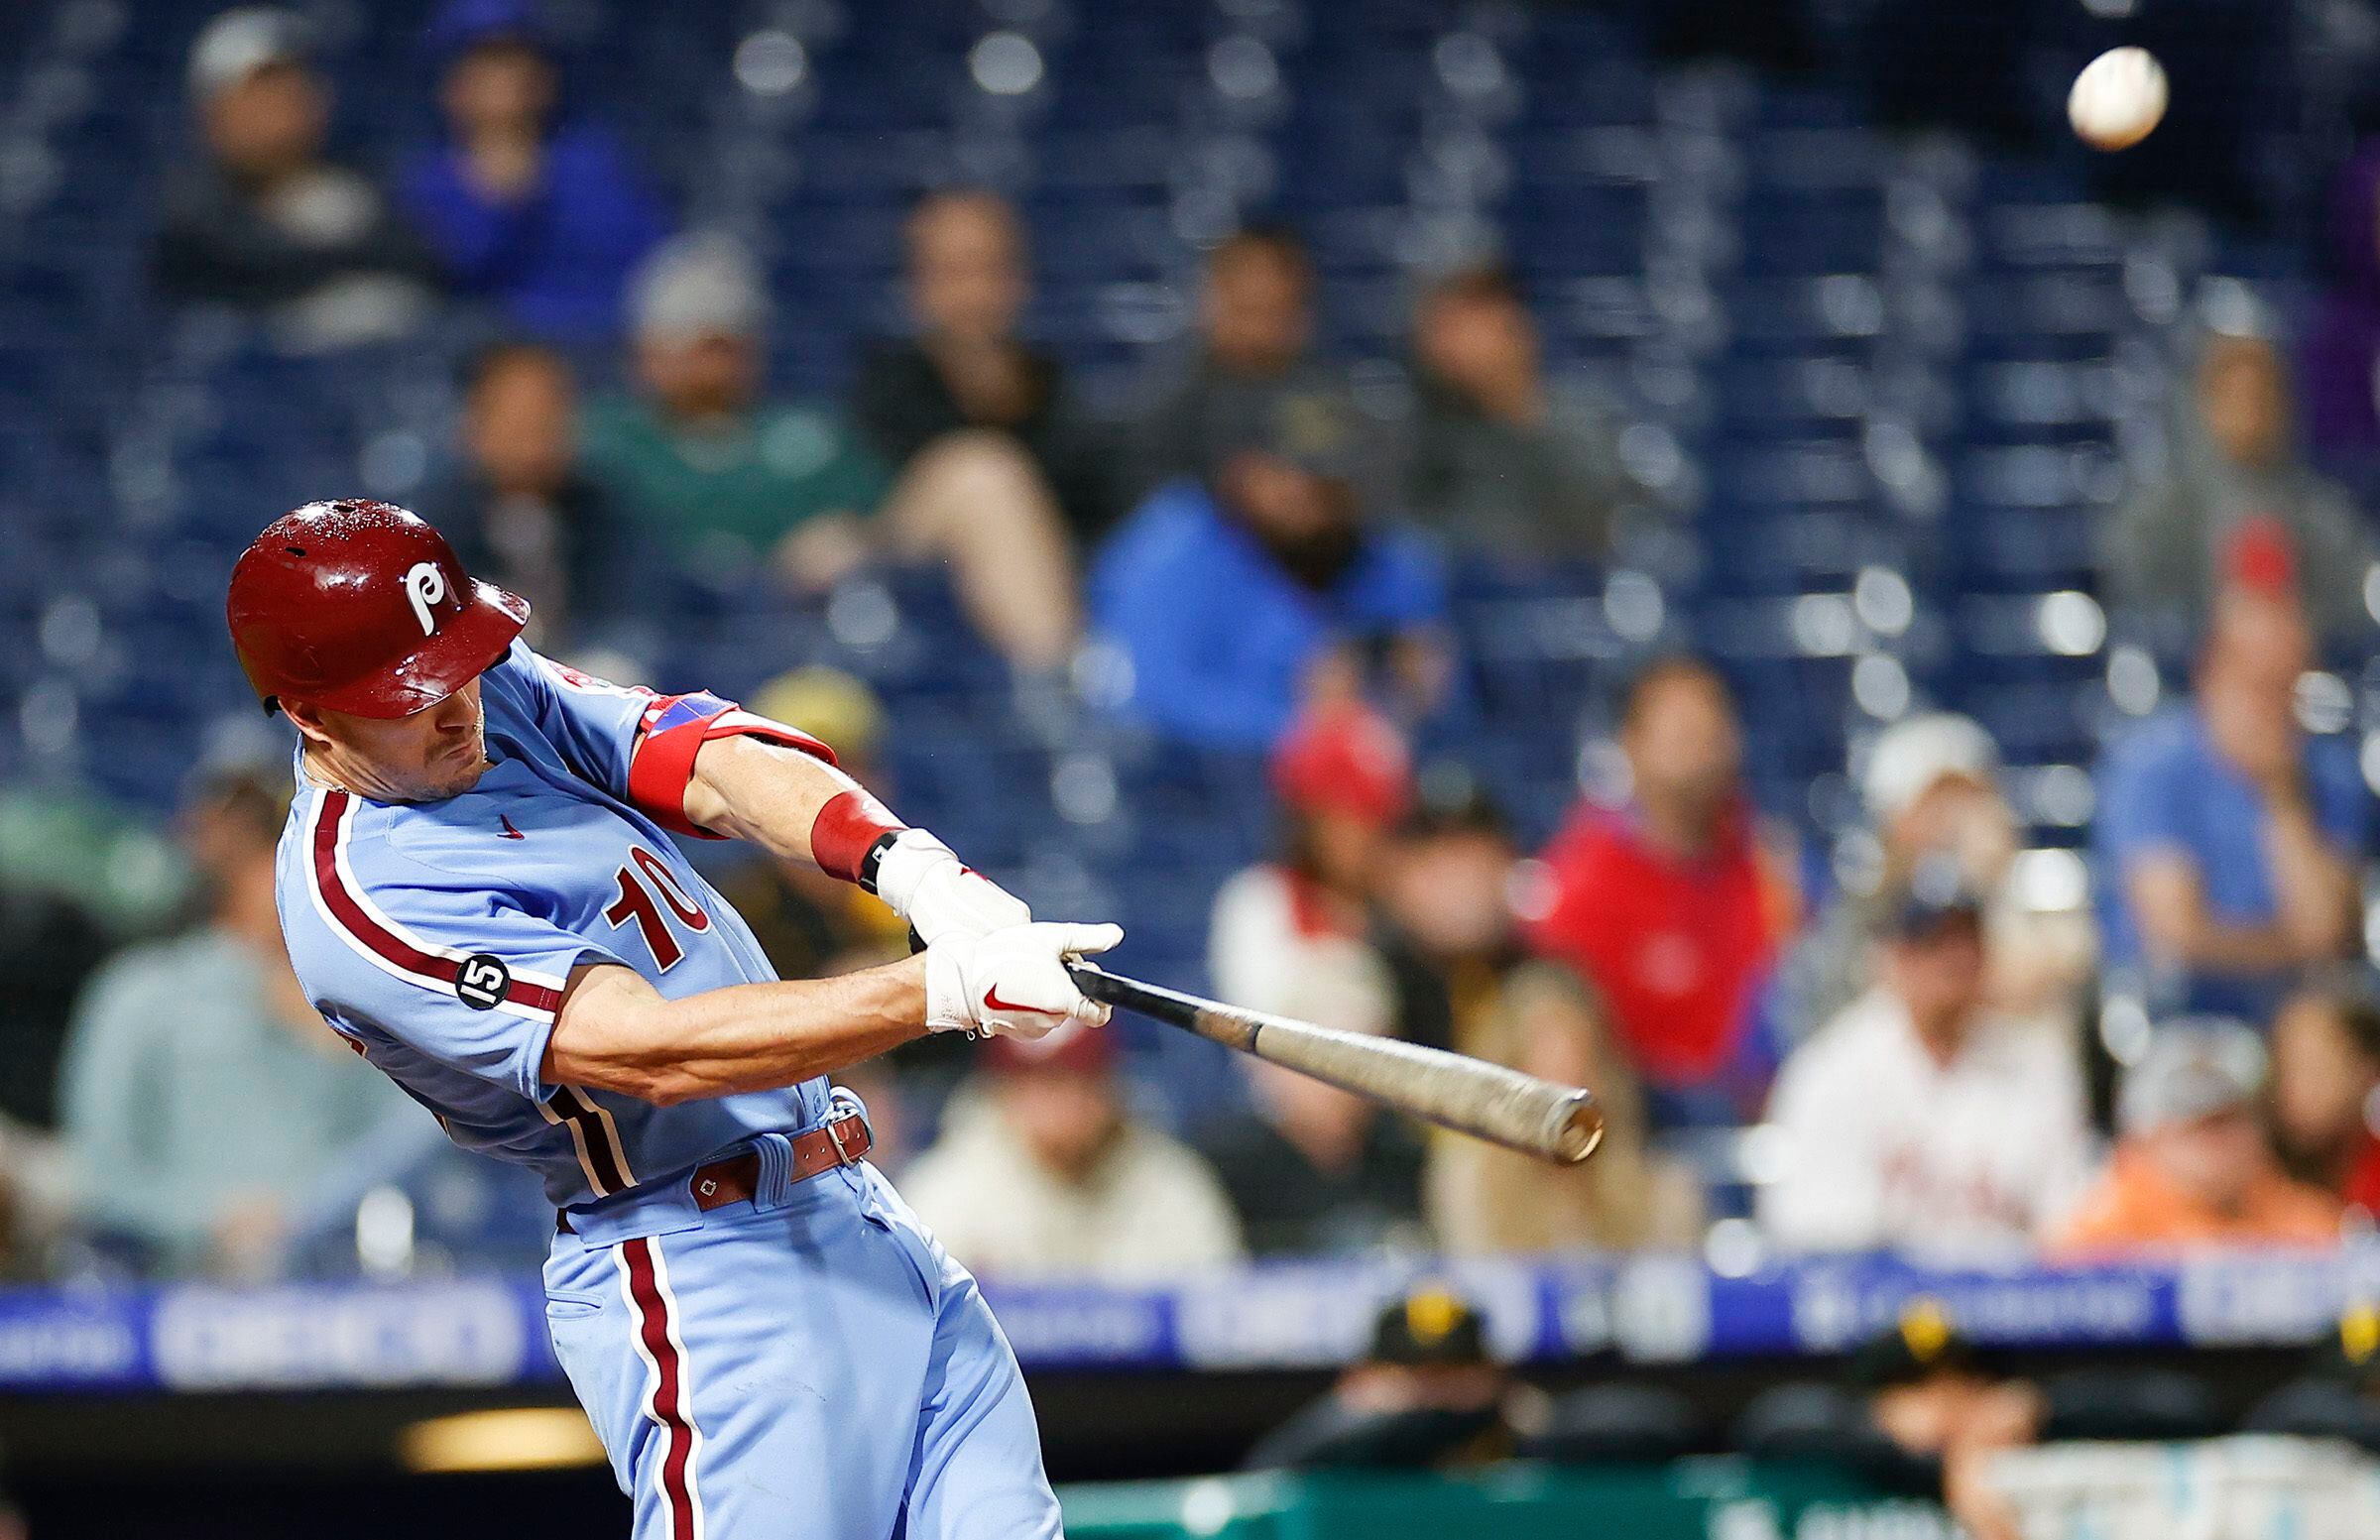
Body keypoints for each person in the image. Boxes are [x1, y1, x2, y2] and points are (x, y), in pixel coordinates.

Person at [226, 499, 1125, 1537]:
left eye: (461, 660)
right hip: (704, 1269)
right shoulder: (360, 894)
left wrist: (906, 867)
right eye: (412, 690)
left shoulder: (478, 699)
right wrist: (941, 990)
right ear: (311, 714)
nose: (458, 701)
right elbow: (653, 1050)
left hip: (864, 1215)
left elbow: (696, 754)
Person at [583, 233, 1082, 671]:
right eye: (691, 342)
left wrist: (852, 539)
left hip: (820, 612)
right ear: (646, 349)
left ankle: (1055, 691)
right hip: (659, 638)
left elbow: (880, 519)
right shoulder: (603, 438)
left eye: (727, 341)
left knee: (981, 470)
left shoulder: (807, 431)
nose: (713, 361)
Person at [57, 766, 424, 1278]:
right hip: (166, 1292)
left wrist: (350, 1050)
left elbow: (413, 1139)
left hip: (337, 1290)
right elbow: (98, 1174)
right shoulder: (140, 993)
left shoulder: (361, 1001)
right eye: (285, 858)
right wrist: (213, 1222)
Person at [1384, 780, 1703, 1252]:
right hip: (1428, 1210)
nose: (1460, 880)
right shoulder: (1379, 981)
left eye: (1474, 856)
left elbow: (1626, 1108)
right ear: (1398, 875)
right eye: (1438, 859)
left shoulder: (1553, 979)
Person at [1759, 859, 2095, 1258]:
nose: (1953, 960)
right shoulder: (1830, 1071)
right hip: (1876, 1310)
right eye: (1932, 942)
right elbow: (1811, 1234)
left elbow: (2073, 1226)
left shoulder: (2039, 1063)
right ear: (1891, 957)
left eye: (1966, 939)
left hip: (2009, 1307)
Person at [1091, 384, 1452, 749]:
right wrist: (1311, 726)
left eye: (1330, 476)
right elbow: (1143, 698)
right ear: (1242, 469)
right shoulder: (1172, 548)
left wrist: (1416, 700)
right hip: (1194, 783)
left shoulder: (1388, 562)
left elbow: (1447, 700)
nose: (1314, 493)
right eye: (1293, 473)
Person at [1524, 656, 1796, 1125]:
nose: (1700, 750)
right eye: (1679, 732)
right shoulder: (1582, 883)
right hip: (1633, 1125)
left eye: (1712, 730)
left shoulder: (1772, 863)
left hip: (1761, 1113)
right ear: (1632, 744)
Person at [2094, 588, 2365, 1023]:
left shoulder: (2329, 775)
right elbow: (2176, 935)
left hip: (2294, 1022)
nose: (2273, 709)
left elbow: (2327, 932)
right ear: (2211, 672)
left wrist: (2282, 797)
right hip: (2173, 1016)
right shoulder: (2150, 764)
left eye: (2288, 686)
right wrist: (2291, 950)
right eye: (2258, 683)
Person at [152, 8, 438, 350]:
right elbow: (235, 274)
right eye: (261, 90)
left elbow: (426, 263)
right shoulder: (190, 210)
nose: (282, 106)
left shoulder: (368, 185)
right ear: (214, 113)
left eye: (293, 84)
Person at [1790, 712, 2091, 1035]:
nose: (1955, 821)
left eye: (1969, 798)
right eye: (1937, 803)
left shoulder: (2030, 897)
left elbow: (2063, 969)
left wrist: (1991, 879)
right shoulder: (1860, 919)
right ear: (1894, 819)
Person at [852, 189, 1120, 545]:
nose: (975, 294)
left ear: (1021, 281)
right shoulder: (885, 390)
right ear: (918, 287)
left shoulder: (1051, 386)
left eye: (991, 269)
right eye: (954, 272)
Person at [400, 0, 669, 343]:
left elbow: (656, 261)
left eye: (516, 57)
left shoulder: (598, 163)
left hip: (613, 350)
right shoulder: (424, 183)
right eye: (486, 60)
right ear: (452, 86)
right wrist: (501, 197)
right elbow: (448, 281)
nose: (506, 76)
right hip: (501, 361)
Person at [899, 1024, 1243, 1281]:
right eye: (1044, 1082)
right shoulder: (944, 1192)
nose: (1065, 1104)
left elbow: (1222, 1334)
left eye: (1083, 1079)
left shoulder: (1173, 1186)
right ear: (1002, 1090)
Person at [2101, 328, 2372, 647]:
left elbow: (2356, 611)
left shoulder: (2326, 519)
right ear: (2203, 405)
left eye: (2260, 395)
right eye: (2231, 396)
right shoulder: (2156, 522)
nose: (2248, 413)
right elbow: (2139, 609)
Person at [414, 341, 648, 652]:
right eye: (517, 420)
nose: (534, 440)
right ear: (474, 425)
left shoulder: (608, 511)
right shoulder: (432, 529)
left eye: (548, 419)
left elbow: (636, 611)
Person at [1196, 946, 1428, 1255]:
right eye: (1322, 1064)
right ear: (1273, 1061)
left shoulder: (1406, 1162)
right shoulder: (1225, 1166)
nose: (1340, 1084)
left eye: (1362, 1065)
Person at [1400, 265, 1637, 562]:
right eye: (1443, 323)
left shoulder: (1586, 422)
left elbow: (1617, 530)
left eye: (1478, 314)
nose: (1452, 340)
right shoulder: (1414, 441)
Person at [2050, 1019, 2341, 1254]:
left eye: (2231, 1119)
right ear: (2145, 1137)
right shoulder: (2103, 1229)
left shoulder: (2301, 1219)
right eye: (2195, 1126)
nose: (2218, 1143)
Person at [1207, 700, 1409, 1018]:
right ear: (1307, 822)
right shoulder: (1262, 900)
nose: (1362, 837)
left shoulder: (1405, 908)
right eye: (1343, 819)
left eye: (1374, 819)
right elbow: (1259, 1036)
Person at [1132, 226, 1349, 498]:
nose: (1257, 332)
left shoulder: (1332, 403)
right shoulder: (1166, 409)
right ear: (1210, 302)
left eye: (1274, 312)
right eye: (1246, 312)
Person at [1245, 1287, 1532, 1471]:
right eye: (1415, 1379)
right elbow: (1269, 1471)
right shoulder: (1328, 1459)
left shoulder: (1523, 1446)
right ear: (1360, 1381)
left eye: (1450, 1375)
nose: (1434, 1396)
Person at [2266, 983, 2380, 1217]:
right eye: (2284, 1068)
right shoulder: (2256, 1165)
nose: (2291, 1089)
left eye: (2313, 1069)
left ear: (2367, 1071)